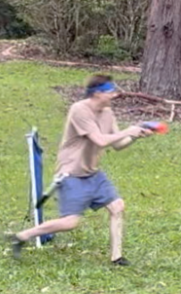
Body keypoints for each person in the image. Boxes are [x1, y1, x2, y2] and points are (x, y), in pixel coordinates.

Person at [7, 75, 152, 265]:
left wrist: (135, 136)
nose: (114, 95)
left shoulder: (108, 113)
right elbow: (99, 140)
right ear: (97, 93)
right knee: (70, 222)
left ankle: (117, 257)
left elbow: (117, 144)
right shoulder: (79, 110)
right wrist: (128, 130)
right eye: (110, 92)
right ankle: (22, 236)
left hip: (92, 173)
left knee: (117, 206)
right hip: (71, 173)